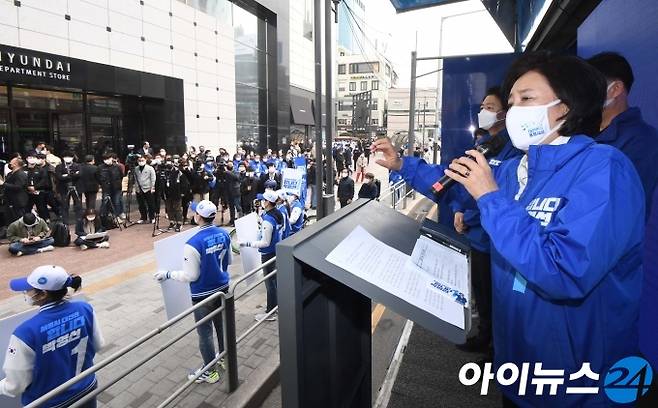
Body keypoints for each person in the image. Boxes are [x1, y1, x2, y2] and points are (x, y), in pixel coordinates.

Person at [373, 52, 645, 407]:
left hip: (579, 381)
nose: (514, 111)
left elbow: (565, 269)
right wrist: (403, 165)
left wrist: (490, 197)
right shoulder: (516, 168)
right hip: (518, 366)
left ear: (567, 106)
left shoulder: (604, 170)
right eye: (512, 101)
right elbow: (455, 191)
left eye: (527, 99)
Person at [450, 86, 523, 358]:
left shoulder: (514, 151)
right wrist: (458, 208)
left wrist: (467, 216)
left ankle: (497, 350)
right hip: (477, 238)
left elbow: (499, 196)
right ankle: (485, 338)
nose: (483, 112)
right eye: (483, 107)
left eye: (490, 107)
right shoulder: (482, 145)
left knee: (498, 298)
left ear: (505, 113)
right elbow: (465, 186)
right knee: (482, 293)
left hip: (495, 242)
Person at [0, 266, 104, 407]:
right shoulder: (85, 308)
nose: (25, 292)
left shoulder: (25, 332)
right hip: (87, 388)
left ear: (42, 294)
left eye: (28, 289)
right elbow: (99, 345)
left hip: (49, 402)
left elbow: (15, 386)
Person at [154, 200, 231, 384]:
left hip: (203, 294)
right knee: (222, 326)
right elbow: (228, 262)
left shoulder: (193, 243)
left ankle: (210, 371)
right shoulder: (224, 233)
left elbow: (191, 275)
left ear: (199, 217)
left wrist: (168, 274)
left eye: (195, 212)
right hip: (223, 287)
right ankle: (225, 357)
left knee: (204, 333)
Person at [240, 190, 283, 321]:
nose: (261, 202)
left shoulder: (268, 220)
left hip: (268, 254)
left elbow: (265, 242)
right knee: (274, 281)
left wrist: (246, 243)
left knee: (270, 283)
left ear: (269, 202)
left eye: (264, 200)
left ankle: (270, 312)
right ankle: (274, 305)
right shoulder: (277, 213)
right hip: (275, 251)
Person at [55, 151, 82, 225]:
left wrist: (66, 175)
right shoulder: (59, 166)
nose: (67, 158)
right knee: (64, 205)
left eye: (69, 157)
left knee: (78, 205)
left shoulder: (77, 165)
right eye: (65, 157)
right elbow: (59, 177)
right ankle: (65, 222)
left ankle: (79, 220)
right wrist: (72, 175)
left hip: (76, 187)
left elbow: (79, 175)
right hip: (64, 188)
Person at [162, 158, 186, 231]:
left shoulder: (178, 172)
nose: (169, 164)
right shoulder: (164, 172)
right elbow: (161, 183)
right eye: (167, 163)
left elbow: (184, 183)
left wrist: (182, 192)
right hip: (167, 194)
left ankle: (179, 223)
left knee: (177, 209)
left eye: (170, 163)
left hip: (176, 194)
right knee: (169, 209)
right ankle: (172, 222)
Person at [98, 153, 124, 220]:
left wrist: (118, 183)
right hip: (106, 188)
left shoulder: (117, 167)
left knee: (117, 202)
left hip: (116, 187)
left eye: (109, 159)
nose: (108, 160)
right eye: (106, 159)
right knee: (105, 202)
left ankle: (116, 216)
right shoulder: (100, 168)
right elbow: (98, 177)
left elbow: (121, 176)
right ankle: (104, 217)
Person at [3, 157, 30, 221]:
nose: (10, 163)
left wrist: (3, 184)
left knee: (19, 220)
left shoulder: (21, 174)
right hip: (9, 200)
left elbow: (18, 187)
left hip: (18, 201)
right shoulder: (10, 174)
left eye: (11, 162)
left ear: (16, 164)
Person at [133, 155, 157, 224]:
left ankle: (152, 217)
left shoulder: (150, 168)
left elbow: (153, 178)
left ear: (145, 160)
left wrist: (152, 187)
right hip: (139, 189)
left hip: (148, 188)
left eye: (142, 160)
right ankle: (143, 217)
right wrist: (136, 188)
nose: (141, 162)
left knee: (150, 204)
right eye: (139, 161)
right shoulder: (136, 169)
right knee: (141, 204)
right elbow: (135, 178)